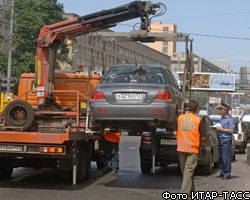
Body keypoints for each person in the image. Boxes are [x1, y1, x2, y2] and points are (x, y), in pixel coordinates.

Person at [176, 100, 201, 196]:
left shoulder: (180, 118)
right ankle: (185, 193)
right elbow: (202, 136)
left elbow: (175, 131)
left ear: (187, 108)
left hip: (182, 147)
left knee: (186, 172)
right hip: (192, 149)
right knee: (188, 171)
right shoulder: (198, 120)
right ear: (197, 109)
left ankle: (191, 192)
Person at [215, 101, 234, 180]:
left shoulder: (230, 119)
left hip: (226, 140)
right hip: (220, 138)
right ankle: (222, 172)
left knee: (225, 157)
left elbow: (231, 131)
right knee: (220, 157)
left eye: (221, 109)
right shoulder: (222, 118)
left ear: (225, 110)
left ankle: (227, 173)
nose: (220, 111)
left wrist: (221, 129)